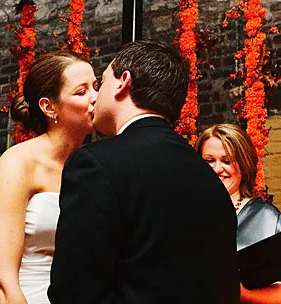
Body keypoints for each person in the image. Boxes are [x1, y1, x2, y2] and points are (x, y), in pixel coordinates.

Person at [48, 40, 240, 303]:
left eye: (102, 82)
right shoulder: (210, 178)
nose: (95, 96)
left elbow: (73, 290)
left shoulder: (96, 164)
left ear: (123, 82)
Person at [0, 51, 97, 304]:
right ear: (49, 106)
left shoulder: (91, 167)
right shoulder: (18, 163)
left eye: (96, 86)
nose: (96, 97)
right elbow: (0, 281)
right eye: (81, 92)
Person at [196, 123, 281, 303]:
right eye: (209, 161)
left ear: (243, 165)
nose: (217, 169)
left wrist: (243, 295)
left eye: (227, 161)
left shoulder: (266, 218)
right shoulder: (182, 213)